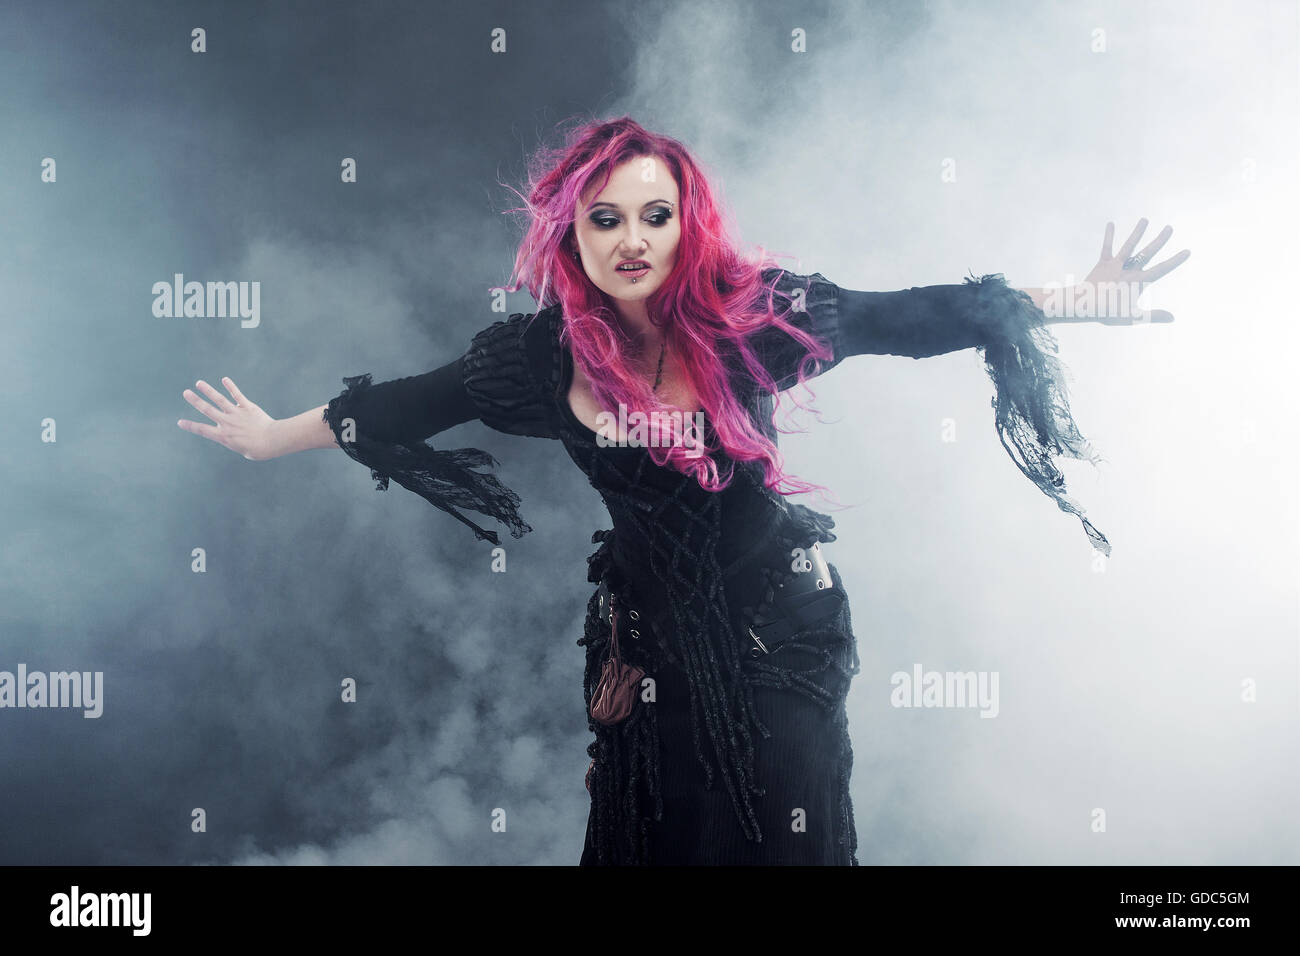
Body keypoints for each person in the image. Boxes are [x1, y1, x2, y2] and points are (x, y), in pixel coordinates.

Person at [176, 117, 1188, 865]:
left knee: (781, 832)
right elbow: (410, 405)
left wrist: (1076, 301)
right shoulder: (537, 359)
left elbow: (918, 314)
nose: (632, 239)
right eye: (605, 218)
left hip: (778, 634)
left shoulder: (758, 319)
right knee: (656, 835)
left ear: (684, 218)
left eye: (654, 214)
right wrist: (277, 435)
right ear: (571, 232)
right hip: (649, 644)